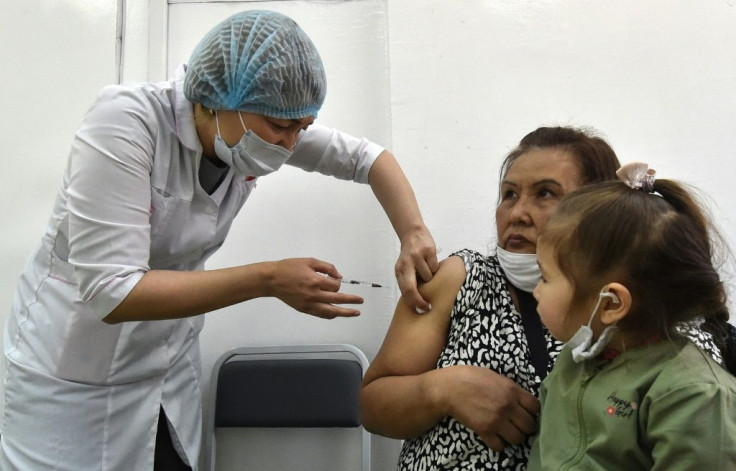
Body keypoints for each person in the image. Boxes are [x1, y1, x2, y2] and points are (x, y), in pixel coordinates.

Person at [0, 10, 437, 471]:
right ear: (216, 100)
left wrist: (412, 233)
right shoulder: (126, 123)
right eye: (280, 128)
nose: (291, 144)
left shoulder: (255, 125)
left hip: (165, 375)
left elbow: (369, 160)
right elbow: (111, 290)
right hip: (72, 379)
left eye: (301, 129)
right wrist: (268, 278)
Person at [359, 127, 726, 470]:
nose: (517, 213)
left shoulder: (667, 333)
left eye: (546, 193)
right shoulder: (458, 278)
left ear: (596, 208)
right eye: (509, 195)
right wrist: (441, 388)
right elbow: (372, 406)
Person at [528, 163, 736, 469]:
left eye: (544, 277)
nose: (536, 291)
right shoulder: (573, 362)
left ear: (611, 304)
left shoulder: (695, 394)